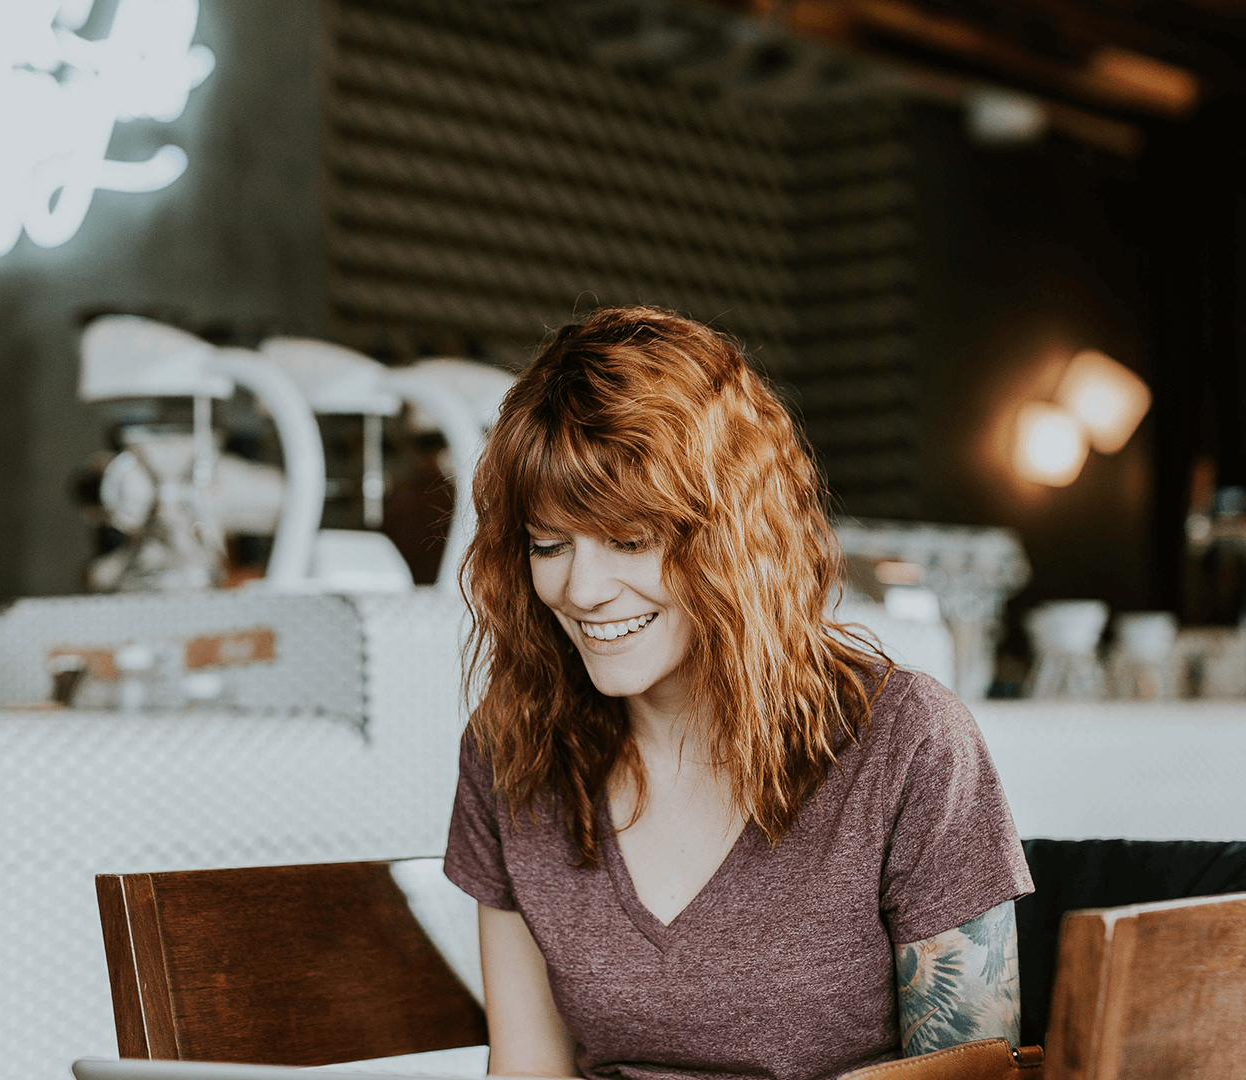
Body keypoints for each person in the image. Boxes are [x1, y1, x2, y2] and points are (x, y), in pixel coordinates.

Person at [442, 306, 1033, 1080]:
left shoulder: (907, 742)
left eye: (630, 539)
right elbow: (527, 1069)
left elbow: (972, 1077)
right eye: (548, 545)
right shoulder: (511, 748)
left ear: (733, 536)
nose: (581, 589)